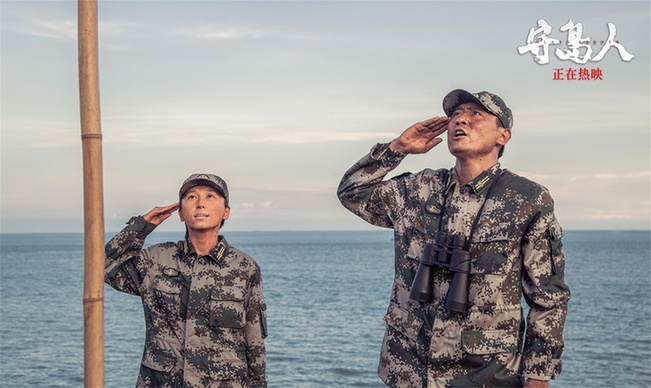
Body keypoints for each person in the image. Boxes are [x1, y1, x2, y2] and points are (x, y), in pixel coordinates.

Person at [337, 89, 570, 387]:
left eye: (476, 115)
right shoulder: (419, 188)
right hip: (409, 369)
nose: (461, 120)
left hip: (483, 374)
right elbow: (352, 193)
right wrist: (398, 148)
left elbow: (548, 297)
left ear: (503, 136)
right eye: (456, 115)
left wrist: (538, 375)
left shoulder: (527, 199)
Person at [105, 173, 267, 387]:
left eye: (210, 197)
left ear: (226, 212)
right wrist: (142, 226)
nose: (200, 204)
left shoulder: (244, 267)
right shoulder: (157, 259)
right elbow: (102, 266)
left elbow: (254, 340)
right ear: (180, 212)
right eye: (191, 197)